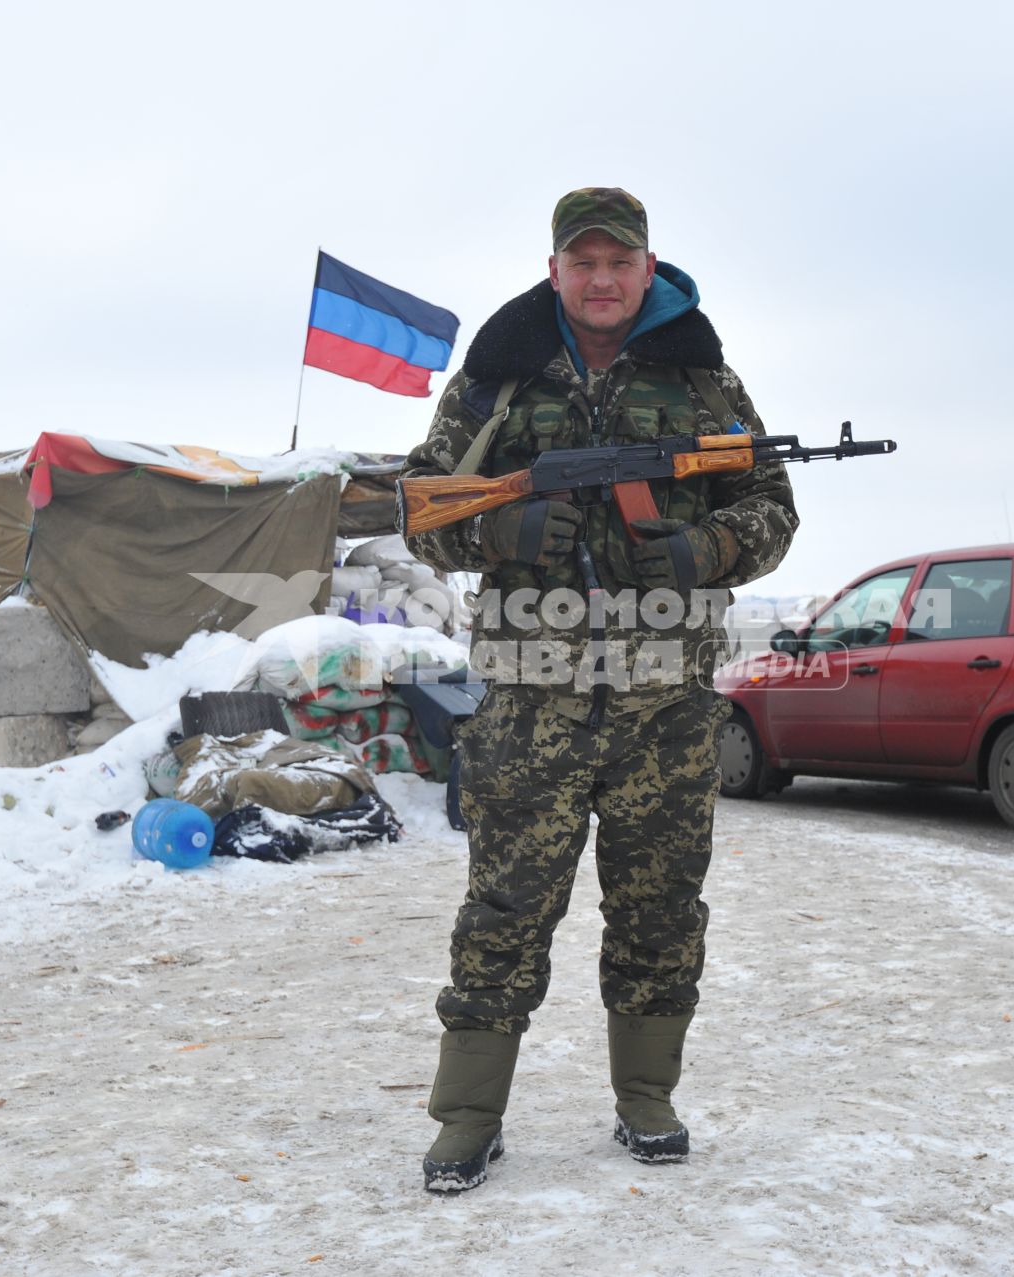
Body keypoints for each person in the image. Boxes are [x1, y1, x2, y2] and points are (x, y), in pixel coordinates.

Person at [401, 187, 798, 1192]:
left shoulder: (703, 378)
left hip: (665, 703)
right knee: (504, 908)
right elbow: (415, 505)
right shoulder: (496, 379)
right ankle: (468, 1113)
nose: (603, 279)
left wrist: (701, 548)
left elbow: (772, 505)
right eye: (584, 262)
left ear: (648, 268)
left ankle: (647, 1096)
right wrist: (500, 531)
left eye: (619, 262)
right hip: (531, 698)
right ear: (555, 272)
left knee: (661, 906)